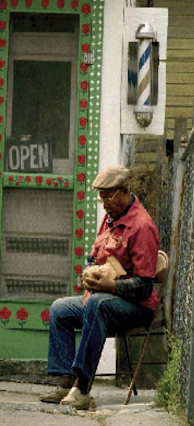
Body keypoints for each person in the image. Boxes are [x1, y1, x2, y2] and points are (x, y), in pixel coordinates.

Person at [39, 165, 160, 410]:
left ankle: (82, 388)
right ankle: (66, 382)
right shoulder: (110, 219)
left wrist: (111, 285)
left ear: (125, 192)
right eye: (101, 197)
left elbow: (145, 287)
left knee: (96, 304)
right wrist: (89, 271)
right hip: (104, 298)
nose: (103, 203)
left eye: (108, 197)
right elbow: (95, 255)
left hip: (136, 307)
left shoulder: (142, 226)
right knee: (60, 309)